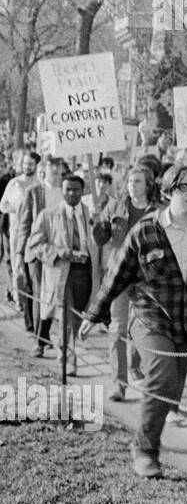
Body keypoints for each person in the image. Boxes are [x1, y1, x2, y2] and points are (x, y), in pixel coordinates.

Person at [79, 165, 187, 478]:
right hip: (151, 319)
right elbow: (117, 273)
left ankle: (142, 439)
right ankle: (147, 452)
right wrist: (95, 312)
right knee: (160, 381)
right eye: (183, 187)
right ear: (167, 192)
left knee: (171, 389)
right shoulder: (146, 230)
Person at [92, 164, 158, 401]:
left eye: (138, 181)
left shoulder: (157, 211)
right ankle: (118, 384)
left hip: (146, 278)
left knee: (144, 327)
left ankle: (135, 366)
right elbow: (100, 238)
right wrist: (99, 224)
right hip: (119, 275)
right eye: (130, 181)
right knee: (118, 328)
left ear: (148, 185)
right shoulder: (115, 206)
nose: (133, 185)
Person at [27, 173, 101, 371]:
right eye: (68, 189)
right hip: (62, 274)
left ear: (82, 191)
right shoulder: (48, 215)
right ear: (62, 191)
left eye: (76, 190)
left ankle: (67, 348)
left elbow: (100, 244)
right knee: (66, 317)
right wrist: (62, 253)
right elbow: (35, 244)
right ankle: (67, 361)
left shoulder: (92, 215)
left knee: (76, 318)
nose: (72, 193)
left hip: (85, 275)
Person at [18, 156, 69, 333]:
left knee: (54, 294)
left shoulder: (66, 190)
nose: (55, 169)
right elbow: (24, 224)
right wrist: (19, 254)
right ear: (44, 168)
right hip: (37, 249)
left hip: (58, 251)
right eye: (51, 165)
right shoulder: (34, 192)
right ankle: (40, 339)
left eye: (58, 165)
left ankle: (44, 335)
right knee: (40, 292)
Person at [1, 150, 40, 332]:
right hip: (17, 230)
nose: (28, 167)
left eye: (31, 164)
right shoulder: (14, 183)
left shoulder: (39, 184)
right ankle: (19, 300)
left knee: (32, 267)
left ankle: (33, 302)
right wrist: (18, 210)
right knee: (17, 266)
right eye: (25, 163)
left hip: (36, 231)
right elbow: (3, 205)